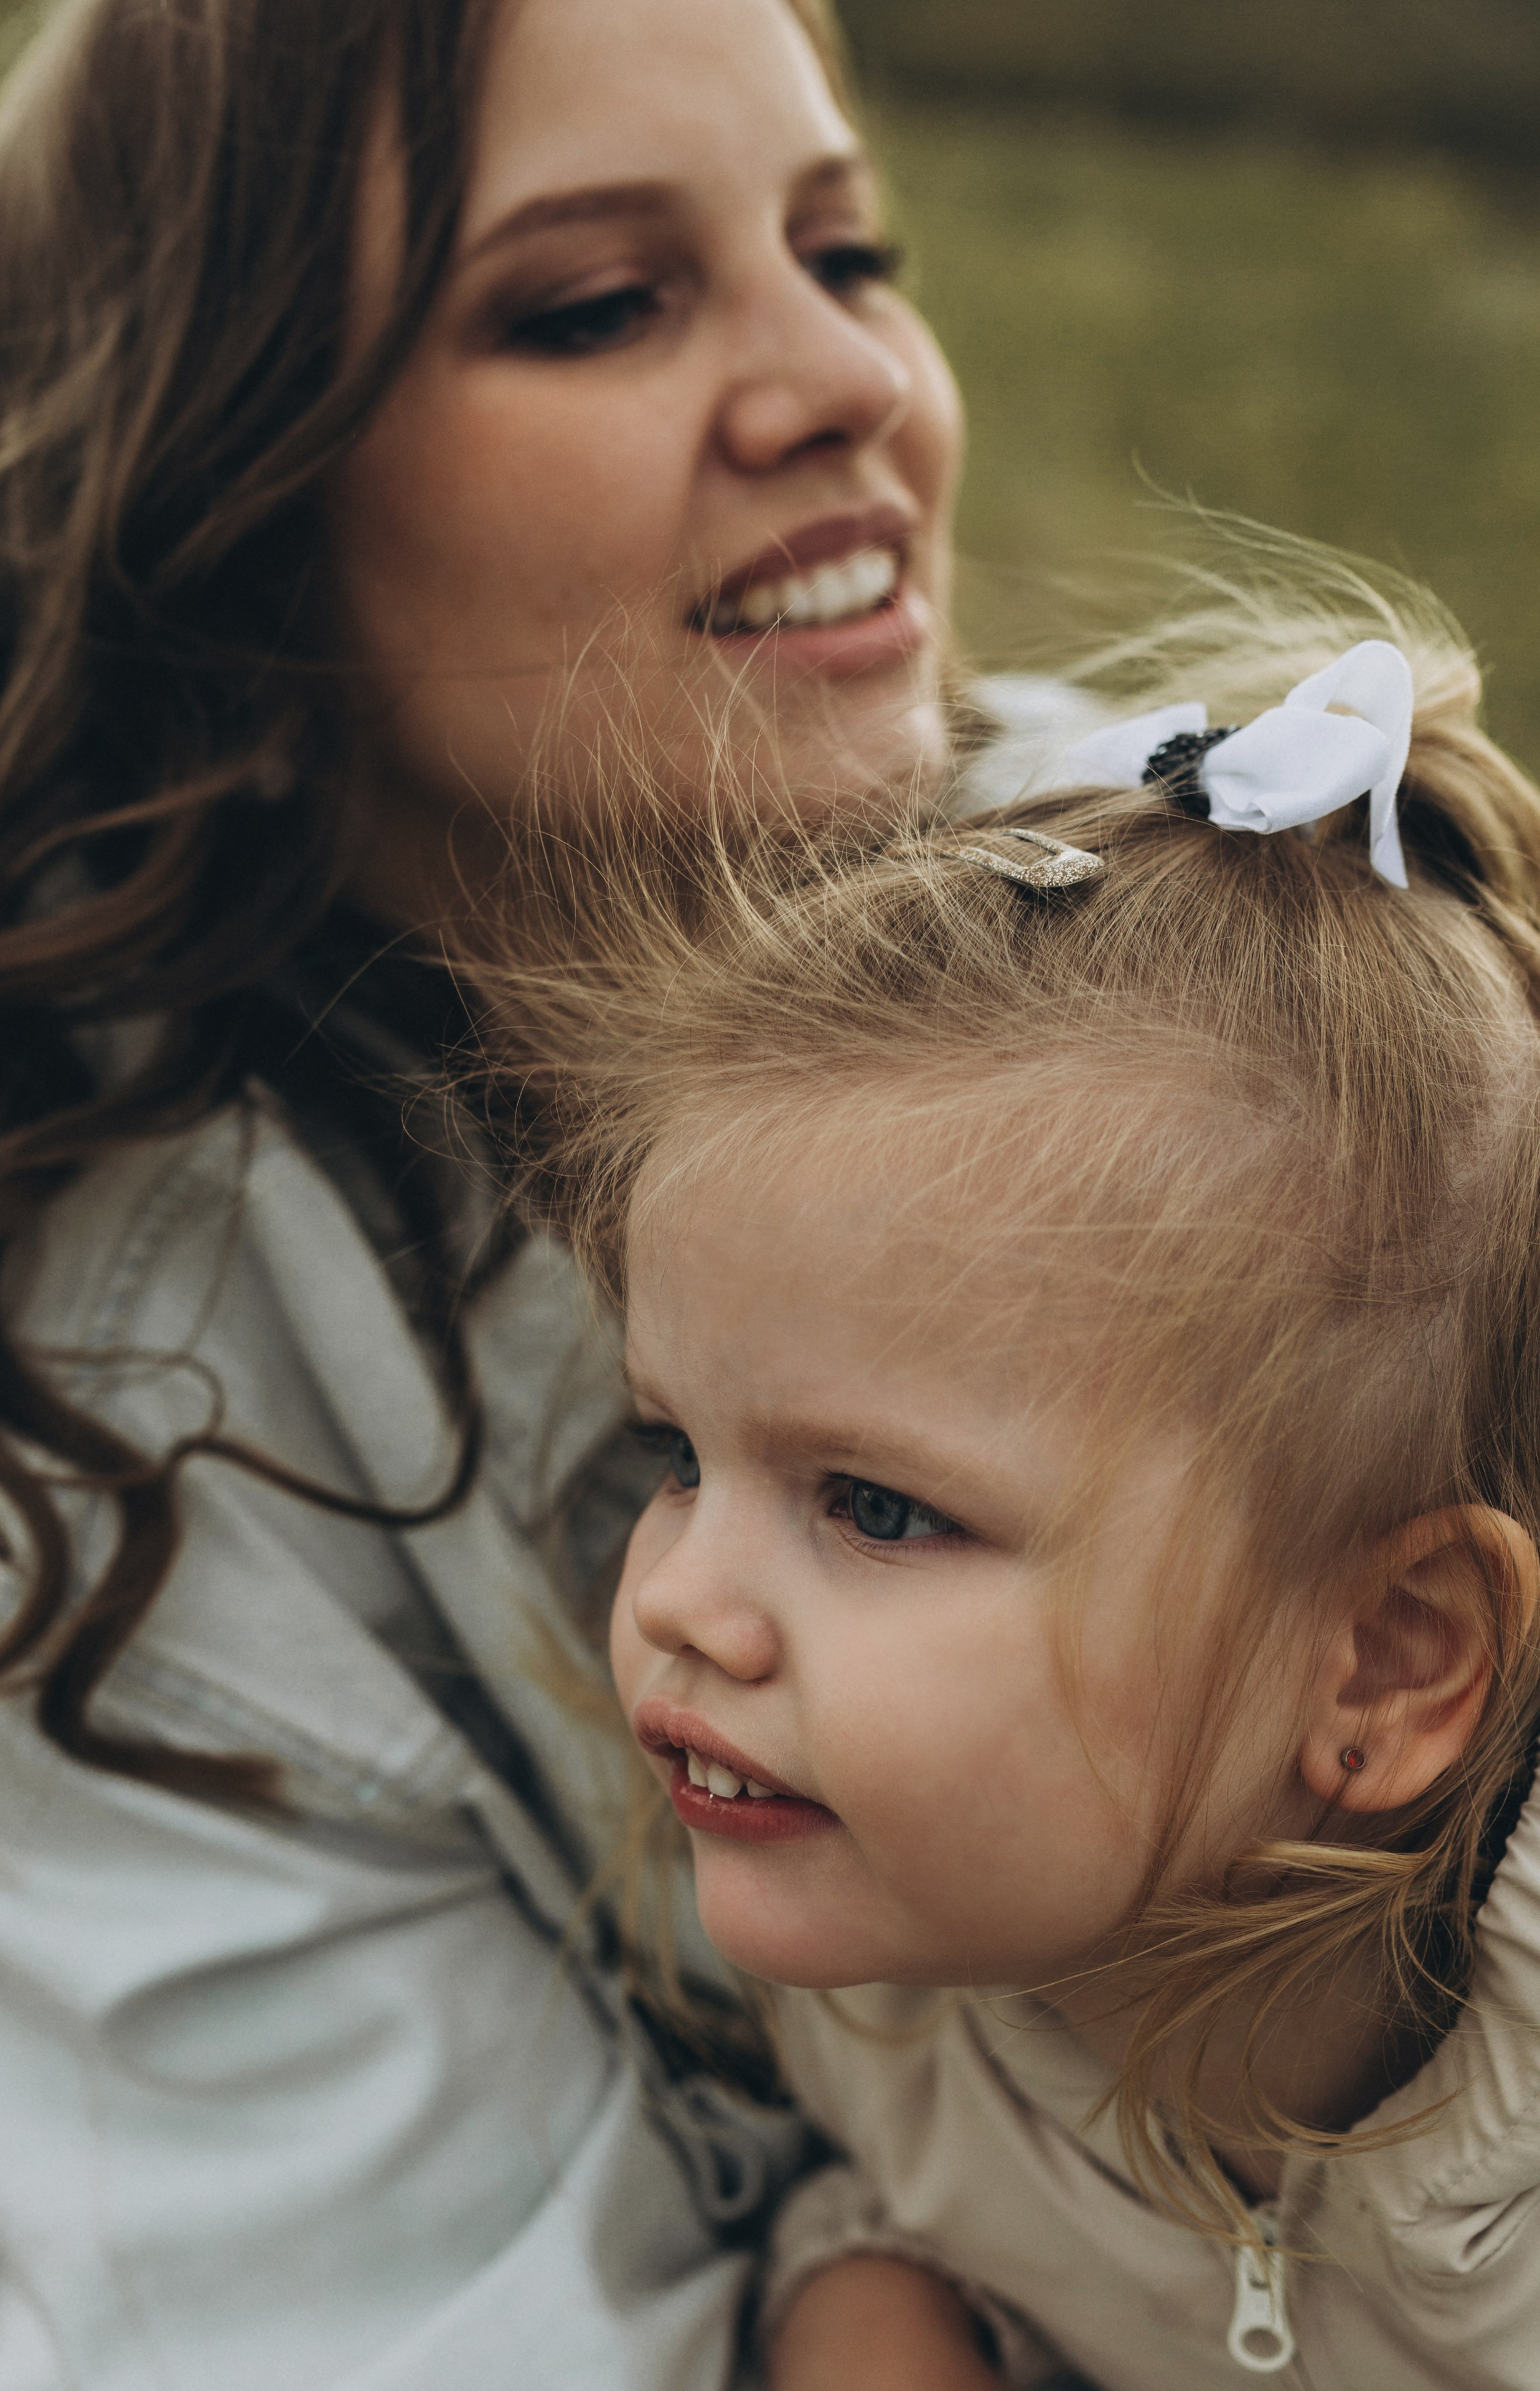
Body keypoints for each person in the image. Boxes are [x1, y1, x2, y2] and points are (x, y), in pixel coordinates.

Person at [0, 0, 1014, 2382]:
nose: (835, 382)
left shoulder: (1224, 972)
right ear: (234, 506)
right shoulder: (120, 1412)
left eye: (847, 252)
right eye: (595, 305)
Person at [506, 557, 1540, 2390]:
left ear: (1390, 1656)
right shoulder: (903, 1942)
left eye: (878, 1505)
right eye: (680, 1453)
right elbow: (927, 2209)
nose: (678, 1593)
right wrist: (869, 2319)